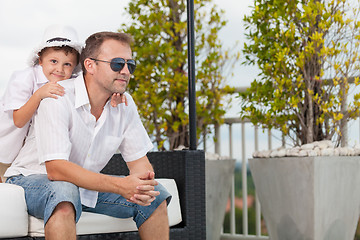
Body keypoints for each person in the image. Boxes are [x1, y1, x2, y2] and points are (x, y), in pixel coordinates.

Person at [5, 31, 171, 240]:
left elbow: (140, 164)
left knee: (156, 197)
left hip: (75, 186)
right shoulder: (57, 97)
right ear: (90, 65)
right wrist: (120, 185)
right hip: (29, 180)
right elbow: (56, 169)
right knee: (64, 193)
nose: (126, 71)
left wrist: (143, 184)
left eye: (131, 65)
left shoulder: (124, 105)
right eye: (117, 64)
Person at [0, 25, 126, 178]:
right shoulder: (23, 78)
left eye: (67, 64)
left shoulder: (71, 82)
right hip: (6, 148)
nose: (59, 69)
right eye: (53, 61)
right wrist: (38, 95)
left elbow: (93, 87)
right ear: (40, 60)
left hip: (31, 154)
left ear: (74, 67)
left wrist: (114, 93)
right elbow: (18, 121)